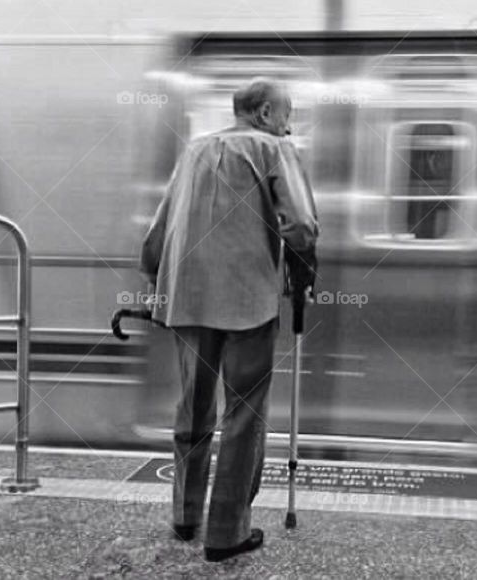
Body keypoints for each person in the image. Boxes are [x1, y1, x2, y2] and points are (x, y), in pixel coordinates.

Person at [138, 78, 318, 562]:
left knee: (193, 407)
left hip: (187, 297)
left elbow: (160, 226)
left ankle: (185, 514)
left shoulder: (195, 150)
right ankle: (226, 532)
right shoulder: (274, 148)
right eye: (286, 112)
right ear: (262, 113)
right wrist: (302, 263)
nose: (289, 121)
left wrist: (157, 278)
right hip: (247, 302)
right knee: (243, 414)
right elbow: (300, 225)